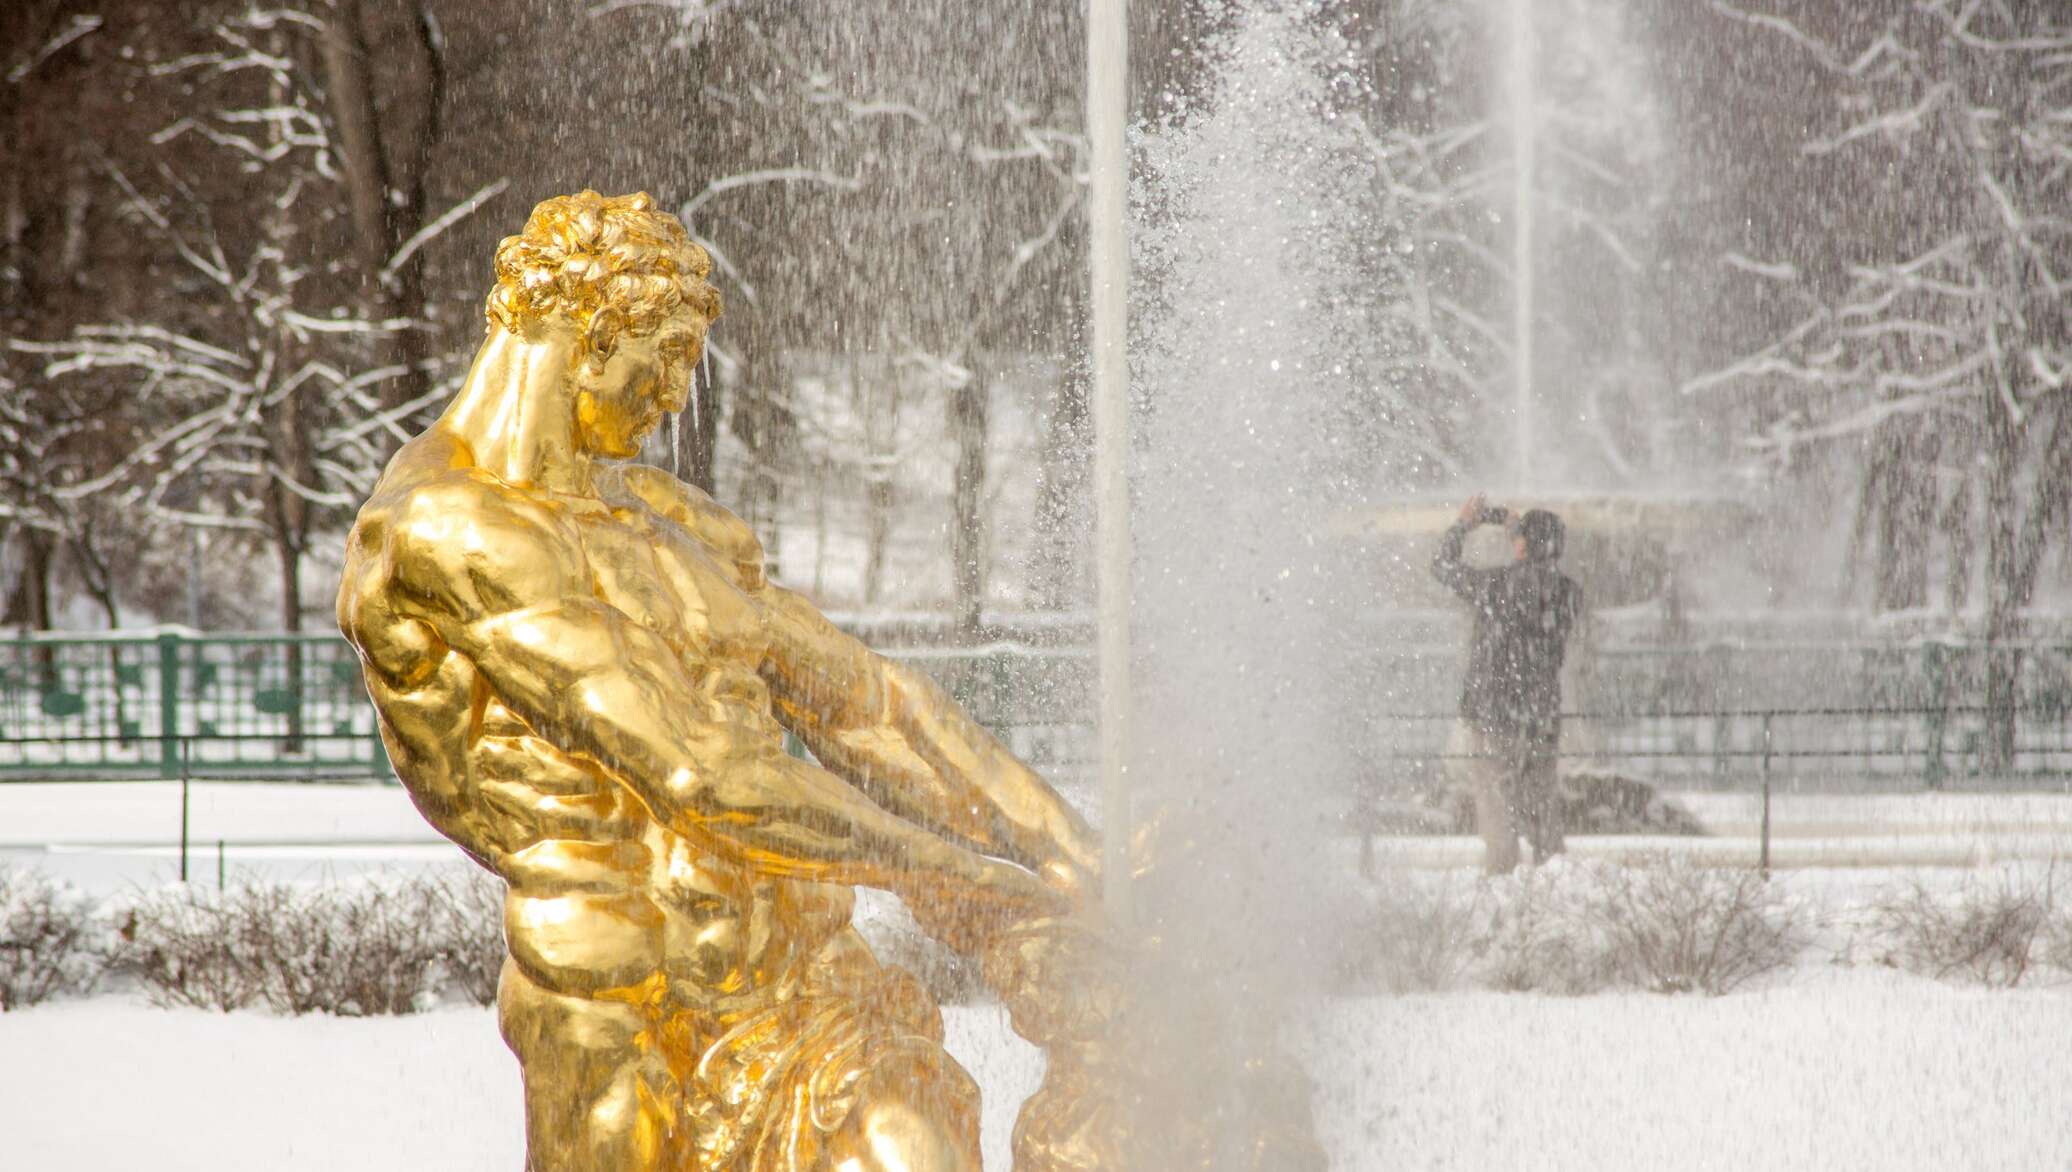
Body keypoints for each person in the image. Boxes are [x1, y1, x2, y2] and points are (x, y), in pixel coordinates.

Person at [336, 190, 1098, 1171]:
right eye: (668, 356)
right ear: (582, 331)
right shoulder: (445, 528)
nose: (672, 395)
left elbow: (875, 705)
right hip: (615, 991)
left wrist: (1065, 850)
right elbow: (703, 781)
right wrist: (959, 872)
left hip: (794, 966)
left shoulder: (672, 522)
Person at [1431, 493, 1582, 873]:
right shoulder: (1568, 593)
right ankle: (1553, 876)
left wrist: (1464, 524)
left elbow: (1442, 565)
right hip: (1541, 716)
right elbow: (1537, 577)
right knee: (1542, 803)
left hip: (1494, 713)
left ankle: (1501, 876)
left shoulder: (1496, 586)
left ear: (1522, 545)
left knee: (1497, 806)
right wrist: (1522, 537)